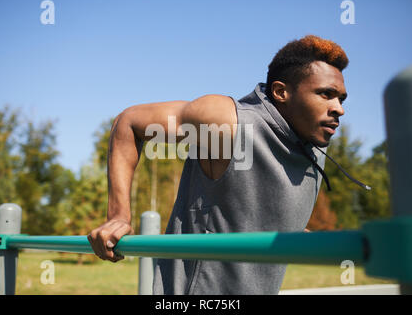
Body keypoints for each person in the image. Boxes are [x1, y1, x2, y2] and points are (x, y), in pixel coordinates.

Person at [88, 35, 368, 294]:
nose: (339, 108)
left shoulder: (314, 152)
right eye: (326, 94)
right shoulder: (225, 122)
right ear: (281, 92)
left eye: (341, 99)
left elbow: (256, 222)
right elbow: (130, 122)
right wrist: (118, 215)